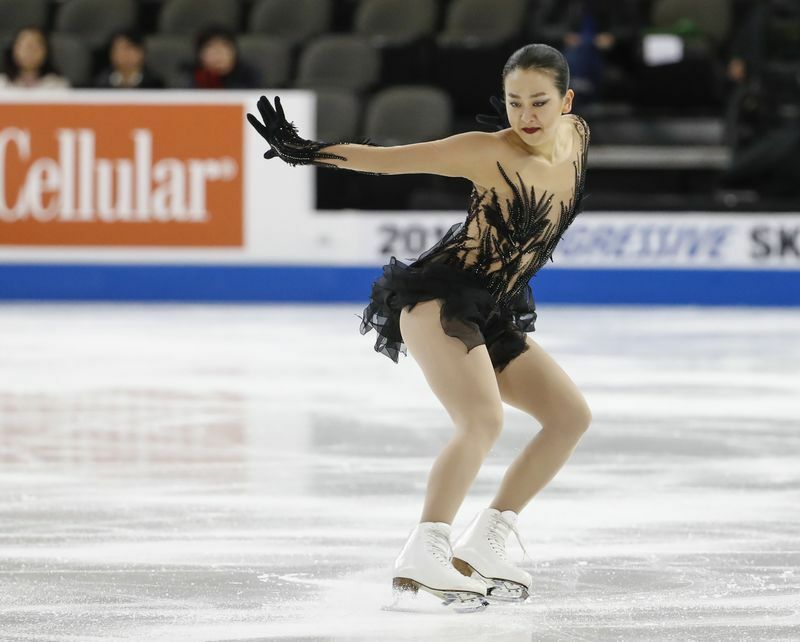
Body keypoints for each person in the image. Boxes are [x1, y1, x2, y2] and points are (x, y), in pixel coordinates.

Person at [247, 43, 592, 611]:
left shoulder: (577, 137)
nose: (527, 116)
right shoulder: (486, 152)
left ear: (566, 102)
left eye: (539, 102)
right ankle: (425, 551)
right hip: (439, 298)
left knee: (568, 417)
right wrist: (306, 153)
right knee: (482, 420)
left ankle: (484, 542)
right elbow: (387, 159)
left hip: (494, 306)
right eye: (514, 103)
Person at [185, 25, 258, 89]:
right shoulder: (190, 78)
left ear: (234, 52)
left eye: (224, 47)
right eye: (211, 47)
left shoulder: (249, 78)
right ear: (200, 54)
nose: (218, 53)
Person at [0, 26, 69, 89]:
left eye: (35, 47)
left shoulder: (57, 84)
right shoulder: (2, 83)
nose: (30, 52)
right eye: (25, 47)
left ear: (46, 51)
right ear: (14, 50)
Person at [95, 30, 163, 89]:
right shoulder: (99, 84)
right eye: (119, 49)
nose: (124, 54)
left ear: (142, 52)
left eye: (129, 48)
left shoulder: (155, 84)